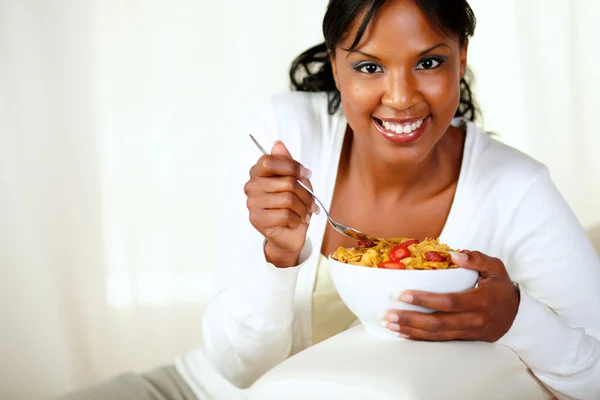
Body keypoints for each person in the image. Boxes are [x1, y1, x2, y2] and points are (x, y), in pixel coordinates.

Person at [55, 0, 600, 399]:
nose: (401, 97)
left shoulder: (516, 189)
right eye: (368, 67)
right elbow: (238, 370)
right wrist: (278, 258)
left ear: (462, 55)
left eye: (429, 62)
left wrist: (516, 319)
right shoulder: (287, 134)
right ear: (336, 67)